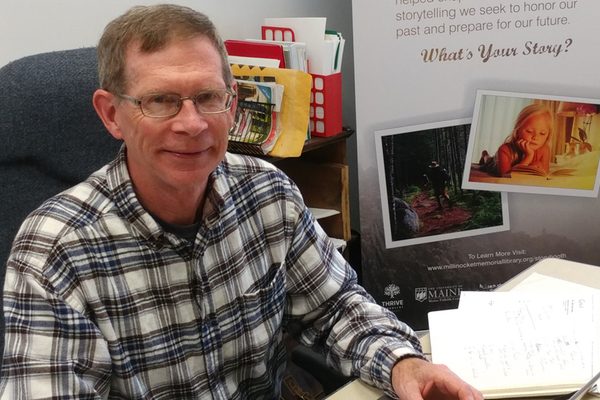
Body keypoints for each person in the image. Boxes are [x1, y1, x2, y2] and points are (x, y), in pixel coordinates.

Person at [0, 5, 482, 400]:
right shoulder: (54, 251)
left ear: (232, 104)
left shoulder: (267, 193)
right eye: (161, 101)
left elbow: (336, 307)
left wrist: (405, 363)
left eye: (208, 97)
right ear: (112, 114)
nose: (191, 124)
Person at [478, 103, 553, 177]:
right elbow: (506, 176)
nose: (535, 137)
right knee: (488, 161)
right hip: (494, 164)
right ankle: (485, 155)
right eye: (529, 131)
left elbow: (544, 173)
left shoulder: (545, 149)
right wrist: (528, 156)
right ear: (517, 130)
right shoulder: (504, 150)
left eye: (542, 133)